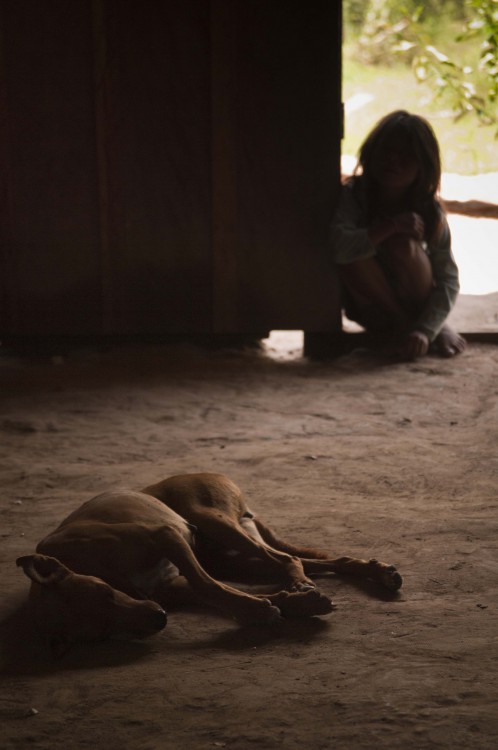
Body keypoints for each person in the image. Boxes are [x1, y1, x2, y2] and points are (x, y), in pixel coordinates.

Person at [330, 110, 466, 360]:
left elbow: (448, 278)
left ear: (422, 164)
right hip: (370, 307)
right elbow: (338, 248)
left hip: (413, 295)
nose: (394, 161)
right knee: (352, 251)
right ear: (372, 153)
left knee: (403, 245)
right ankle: (408, 326)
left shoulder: (429, 210)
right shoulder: (353, 196)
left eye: (406, 156)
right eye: (387, 152)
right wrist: (390, 226)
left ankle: (424, 327)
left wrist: (427, 329)